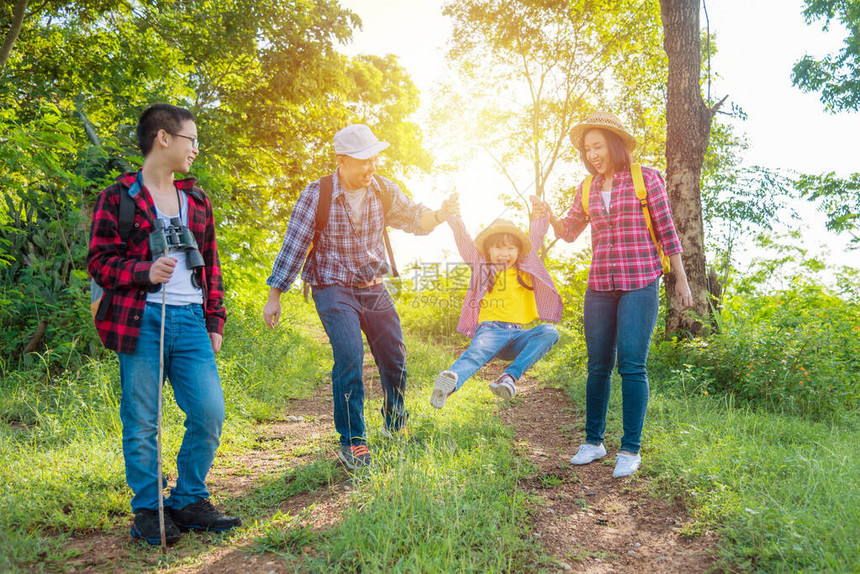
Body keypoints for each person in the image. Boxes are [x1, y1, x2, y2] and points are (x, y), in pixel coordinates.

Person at [263, 124, 459, 470]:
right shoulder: (316, 195)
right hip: (332, 286)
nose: (371, 167)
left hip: (373, 284)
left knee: (394, 356)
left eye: (374, 159)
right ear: (342, 161)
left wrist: (441, 214)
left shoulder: (382, 189)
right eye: (363, 161)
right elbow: (294, 245)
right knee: (350, 357)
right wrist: (274, 294)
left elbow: (414, 217)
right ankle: (353, 441)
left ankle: (395, 421)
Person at [88, 103, 241, 545]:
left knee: (209, 413)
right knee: (142, 420)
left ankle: (189, 498)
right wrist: (144, 271)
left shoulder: (197, 201)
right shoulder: (118, 197)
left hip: (191, 319)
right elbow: (98, 262)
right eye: (191, 139)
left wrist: (215, 319)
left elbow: (210, 265)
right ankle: (149, 510)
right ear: (164, 138)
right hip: (142, 320)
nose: (196, 149)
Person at [532, 111, 693, 478]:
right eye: (587, 149)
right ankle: (593, 442)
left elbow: (667, 231)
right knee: (598, 365)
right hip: (600, 285)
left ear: (614, 144)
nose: (592, 155)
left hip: (640, 281)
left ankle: (631, 448)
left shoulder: (645, 178)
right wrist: (550, 215)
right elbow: (570, 231)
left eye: (597, 146)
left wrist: (679, 280)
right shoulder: (587, 187)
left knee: (632, 363)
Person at [430, 211, 562, 408]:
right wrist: (454, 216)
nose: (505, 253)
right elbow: (464, 240)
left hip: (516, 335)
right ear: (488, 250)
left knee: (549, 332)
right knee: (475, 355)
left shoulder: (525, 269)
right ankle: (450, 383)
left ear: (518, 252)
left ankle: (508, 377)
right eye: (498, 247)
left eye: (510, 248)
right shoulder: (482, 266)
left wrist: (540, 216)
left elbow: (535, 239)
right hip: (490, 330)